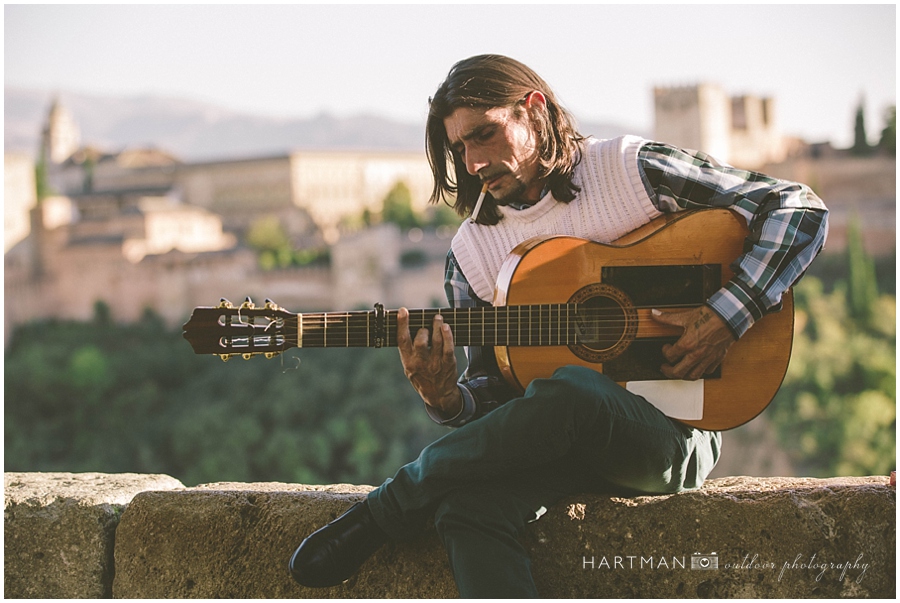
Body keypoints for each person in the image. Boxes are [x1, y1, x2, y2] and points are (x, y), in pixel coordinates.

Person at [288, 54, 828, 597]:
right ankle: (413, 503)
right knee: (467, 508)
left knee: (573, 390)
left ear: (534, 110)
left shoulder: (629, 170)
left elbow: (797, 208)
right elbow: (503, 406)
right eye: (460, 148)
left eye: (485, 135)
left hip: (674, 433)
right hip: (559, 452)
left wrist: (726, 315)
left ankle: (387, 507)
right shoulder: (473, 254)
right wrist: (448, 399)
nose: (473, 162)